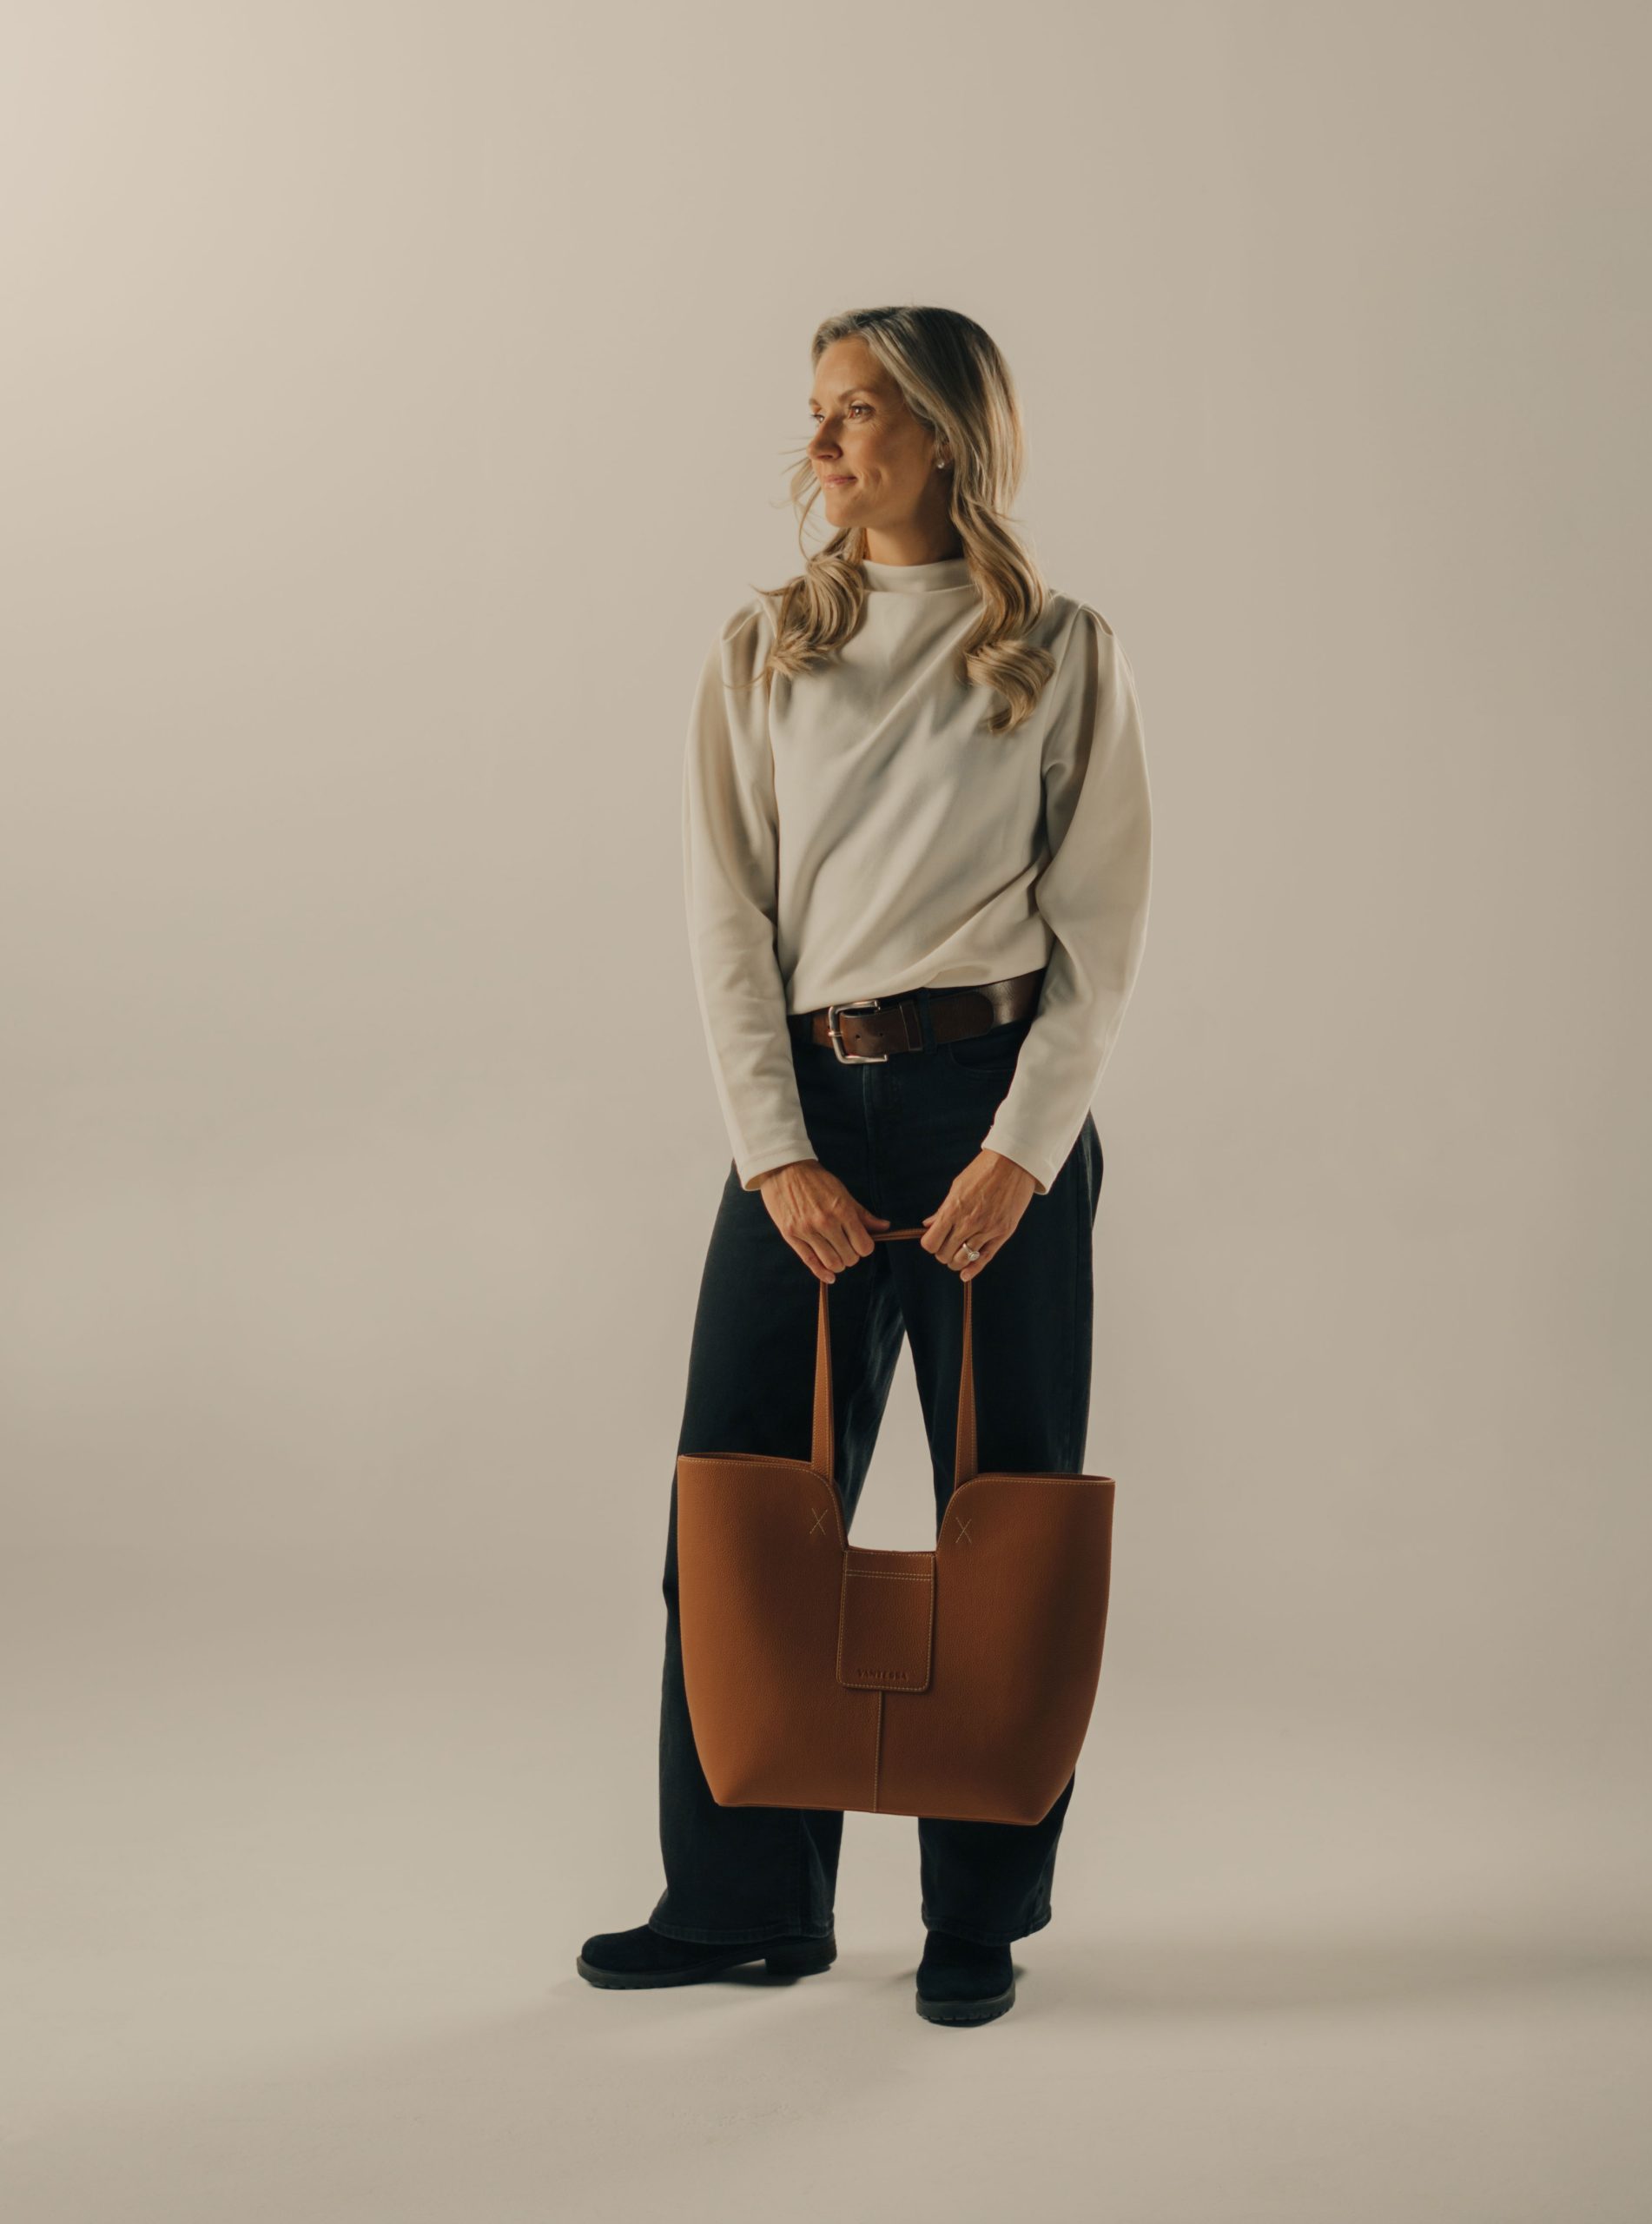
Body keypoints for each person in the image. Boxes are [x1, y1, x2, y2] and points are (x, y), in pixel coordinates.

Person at [577, 305, 1153, 2026]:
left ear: (947, 435)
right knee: (741, 1513)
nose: (821, 443)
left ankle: (978, 1917)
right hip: (809, 1114)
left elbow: (1101, 937)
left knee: (1006, 1516)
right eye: (817, 412)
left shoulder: (1060, 650)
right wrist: (775, 1157)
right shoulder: (765, 648)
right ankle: (742, 1903)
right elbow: (725, 925)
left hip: (996, 1104)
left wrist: (1021, 1155)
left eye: (858, 412)